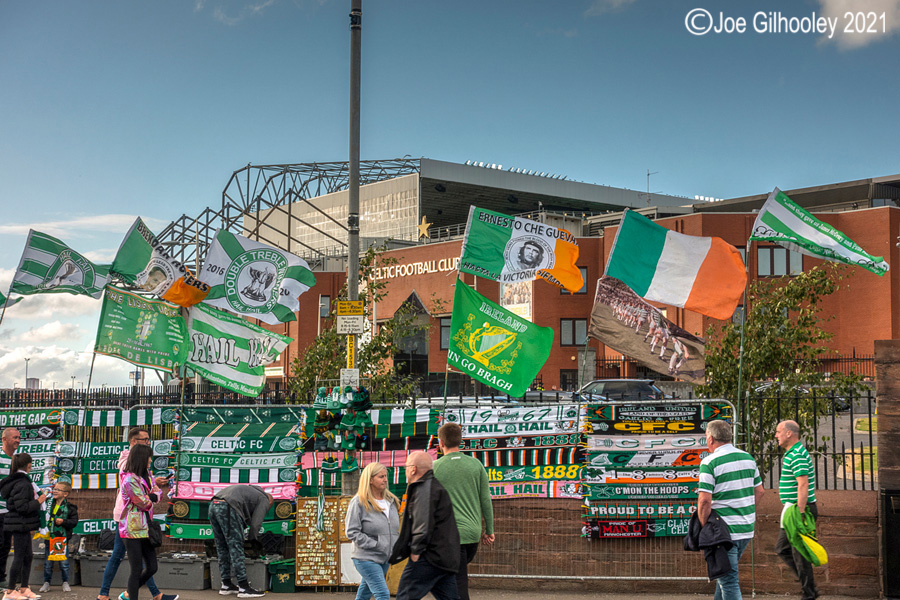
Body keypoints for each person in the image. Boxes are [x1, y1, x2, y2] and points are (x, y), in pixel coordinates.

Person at [98, 428, 176, 600]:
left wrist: (153, 489)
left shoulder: (144, 470)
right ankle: (116, 594)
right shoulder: (127, 462)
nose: (149, 442)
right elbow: (142, 497)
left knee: (139, 562)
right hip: (128, 520)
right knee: (130, 561)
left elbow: (154, 493)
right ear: (134, 441)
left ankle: (111, 594)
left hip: (143, 520)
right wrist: (151, 494)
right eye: (145, 439)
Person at [697, 420, 764, 600]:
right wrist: (744, 510)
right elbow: (759, 491)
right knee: (725, 575)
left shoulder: (709, 462)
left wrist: (704, 526)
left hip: (723, 532)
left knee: (729, 581)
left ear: (710, 439)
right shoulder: (748, 459)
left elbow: (704, 501)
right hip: (745, 529)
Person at [433, 423, 494, 600]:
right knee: (452, 577)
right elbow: (485, 500)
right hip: (471, 535)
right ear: (460, 441)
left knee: (455, 582)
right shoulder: (476, 465)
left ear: (441, 442)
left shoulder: (434, 467)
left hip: (446, 535)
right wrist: (489, 530)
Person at [389, 451, 460, 600]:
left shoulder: (423, 487)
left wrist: (416, 551)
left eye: (406, 466)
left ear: (413, 469)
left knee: (404, 596)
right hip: (444, 557)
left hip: (428, 557)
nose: (405, 470)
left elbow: (423, 521)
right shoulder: (434, 486)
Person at [774, 420, 819, 600]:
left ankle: (809, 593)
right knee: (783, 549)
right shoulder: (793, 453)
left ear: (789, 433)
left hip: (798, 510)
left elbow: (803, 484)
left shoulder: (797, 455)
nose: (776, 435)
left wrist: (800, 513)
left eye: (778, 432)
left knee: (798, 554)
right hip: (792, 509)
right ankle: (810, 588)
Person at [345, 463, 400, 600]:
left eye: (386, 476)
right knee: (383, 594)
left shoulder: (391, 501)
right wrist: (377, 544)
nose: (385, 480)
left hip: (385, 557)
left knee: (364, 594)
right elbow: (351, 532)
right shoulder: (358, 502)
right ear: (370, 479)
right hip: (366, 558)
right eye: (381, 477)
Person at [208, 485, 271, 598]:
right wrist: (252, 540)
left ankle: (226, 584)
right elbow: (256, 524)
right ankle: (243, 587)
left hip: (213, 505)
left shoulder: (251, 491)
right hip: (228, 506)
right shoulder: (265, 499)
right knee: (236, 546)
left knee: (221, 546)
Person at [0, 453, 48, 600]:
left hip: (23, 524)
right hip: (19, 523)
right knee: (19, 556)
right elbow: (22, 507)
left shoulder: (21, 481)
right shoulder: (23, 484)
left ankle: (24, 588)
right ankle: (9, 591)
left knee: (28, 556)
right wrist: (39, 501)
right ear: (28, 465)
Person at [119, 444, 158, 600]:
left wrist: (152, 496)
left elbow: (158, 492)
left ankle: (129, 592)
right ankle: (132, 596)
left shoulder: (147, 475)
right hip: (131, 529)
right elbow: (143, 503)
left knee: (152, 567)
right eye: (148, 457)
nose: (150, 460)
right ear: (142, 458)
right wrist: (151, 497)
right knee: (135, 569)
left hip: (146, 526)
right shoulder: (129, 480)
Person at [39, 481, 79, 593]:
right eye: (54, 489)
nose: (54, 491)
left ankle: (65, 582)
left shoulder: (71, 508)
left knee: (63, 562)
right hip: (49, 537)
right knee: (48, 562)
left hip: (62, 538)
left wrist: (63, 522)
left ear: (65, 494)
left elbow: (74, 522)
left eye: (58, 490)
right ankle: (46, 583)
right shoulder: (48, 504)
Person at [0, 428, 22, 588]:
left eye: (19, 438)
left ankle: (1, 578)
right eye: (15, 437)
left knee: (6, 545)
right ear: (4, 439)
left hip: (9, 511)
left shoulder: (15, 460)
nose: (18, 440)